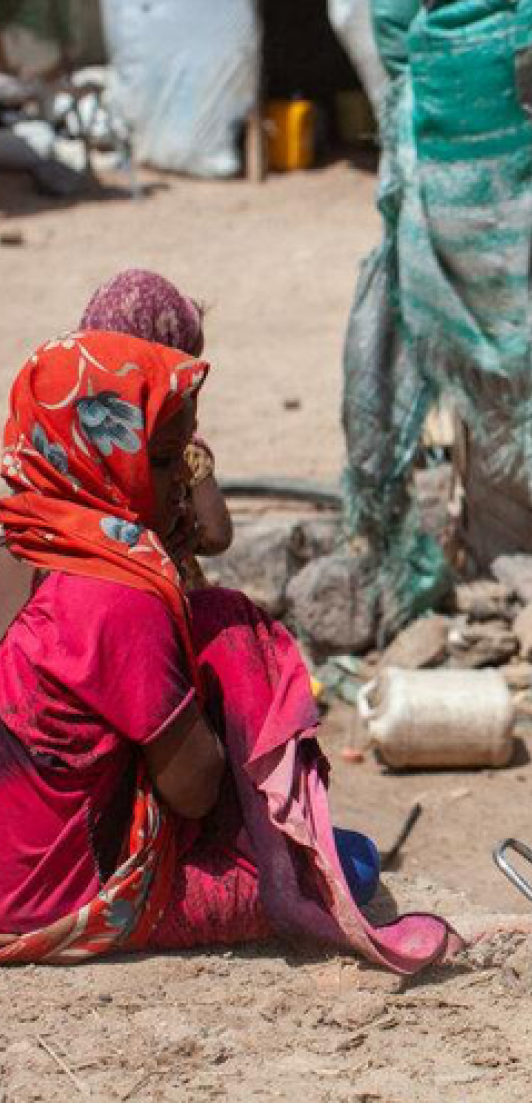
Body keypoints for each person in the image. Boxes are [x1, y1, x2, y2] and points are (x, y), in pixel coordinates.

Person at [0, 330, 458, 968]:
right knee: (341, 868)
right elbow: (192, 785)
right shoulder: (116, 595)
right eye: (160, 463)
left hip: (18, 859)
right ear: (101, 462)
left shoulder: (32, 541)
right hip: (54, 897)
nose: (179, 488)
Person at [77, 268, 232, 588]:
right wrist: (177, 538)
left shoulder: (67, 440)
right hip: (165, 595)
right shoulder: (181, 447)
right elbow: (217, 533)